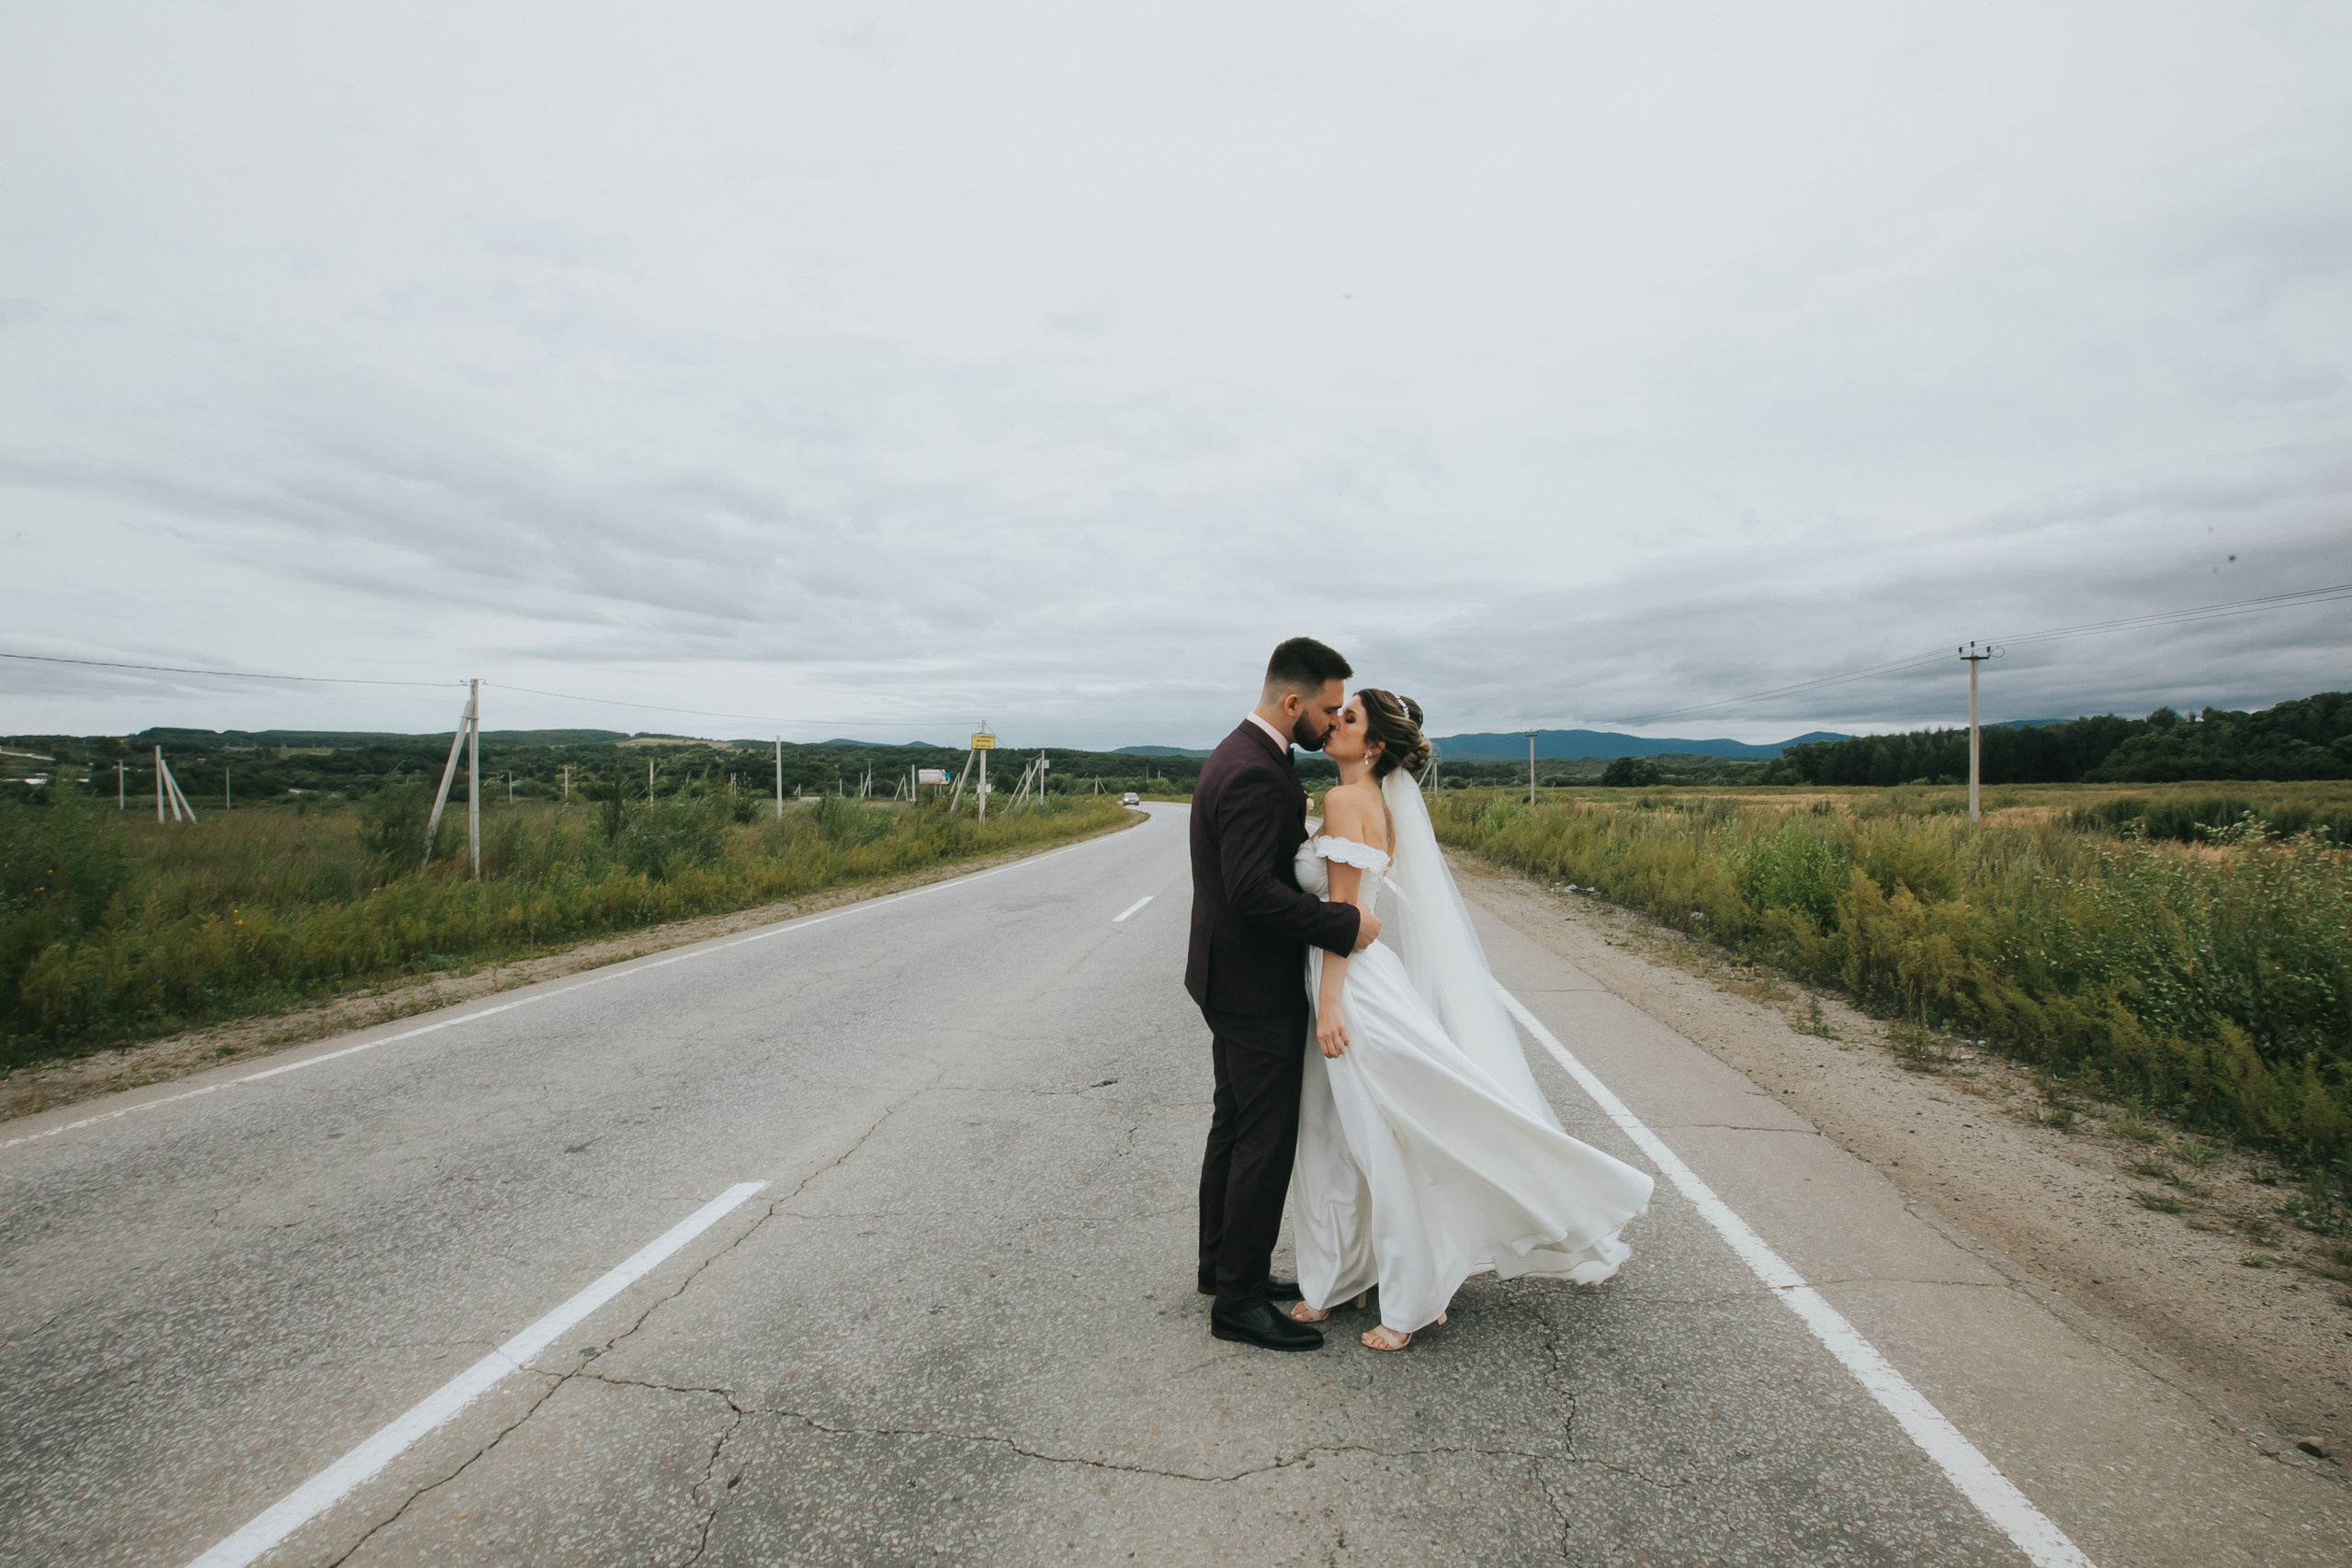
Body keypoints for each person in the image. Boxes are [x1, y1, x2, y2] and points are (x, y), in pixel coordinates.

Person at [1286, 690, 1654, 1349]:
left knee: (1365, 1139)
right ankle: (1348, 1278)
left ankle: (1406, 1300)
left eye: (1348, 719)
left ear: (1372, 747)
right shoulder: (1370, 801)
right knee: (1363, 1132)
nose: (1332, 724)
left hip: (1351, 988)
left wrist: (1331, 1005)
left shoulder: (1347, 800)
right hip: (1362, 978)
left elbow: (1343, 918)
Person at [1186, 637, 1383, 1351]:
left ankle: (1222, 1267)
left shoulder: (1244, 753)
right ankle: (1238, 1300)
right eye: (1328, 708)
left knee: (1234, 1125)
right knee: (1262, 1140)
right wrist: (1343, 924)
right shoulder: (1255, 773)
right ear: (1292, 701)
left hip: (1227, 976)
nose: (1331, 723)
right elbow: (1249, 891)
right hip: (1251, 984)